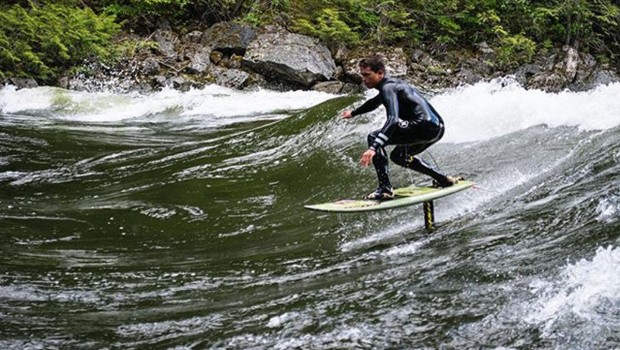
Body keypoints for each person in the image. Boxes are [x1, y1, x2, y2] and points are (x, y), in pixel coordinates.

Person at [342, 55, 460, 200]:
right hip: (437, 128)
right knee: (399, 156)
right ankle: (442, 179)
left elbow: (393, 119)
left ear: (380, 73)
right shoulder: (392, 85)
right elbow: (374, 102)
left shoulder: (388, 87)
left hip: (421, 126)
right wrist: (353, 113)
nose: (364, 79)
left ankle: (385, 189)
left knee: (373, 137)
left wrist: (373, 148)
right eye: (362, 75)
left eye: (367, 75)